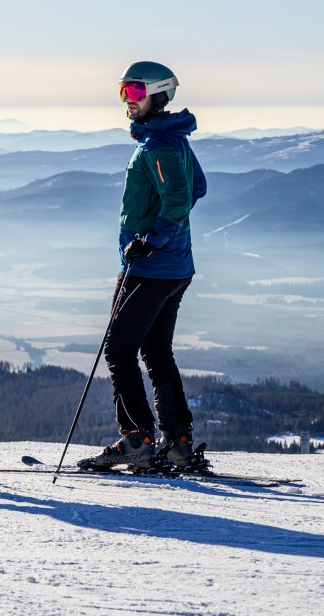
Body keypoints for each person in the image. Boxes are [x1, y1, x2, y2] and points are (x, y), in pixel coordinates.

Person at [78, 61, 207, 472]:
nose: (126, 102)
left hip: (149, 269)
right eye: (122, 93)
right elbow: (196, 188)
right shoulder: (173, 141)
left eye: (134, 93)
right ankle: (178, 442)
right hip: (174, 267)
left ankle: (137, 440)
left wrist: (152, 239)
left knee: (119, 350)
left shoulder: (159, 146)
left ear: (158, 94)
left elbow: (178, 198)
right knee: (156, 351)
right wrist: (166, 233)